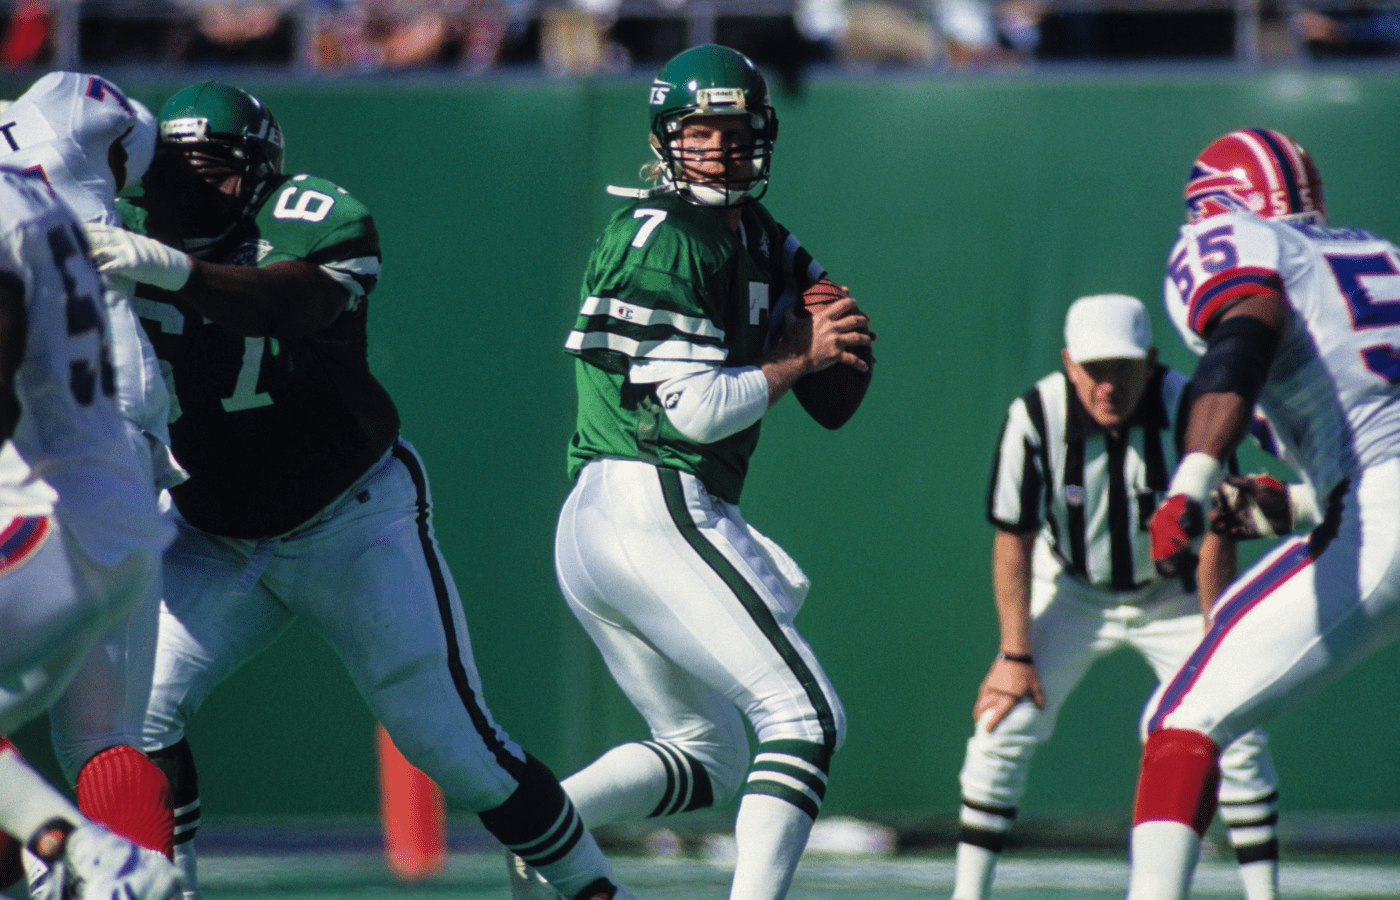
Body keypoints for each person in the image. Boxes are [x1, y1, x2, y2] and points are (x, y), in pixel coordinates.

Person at [80, 81, 635, 900]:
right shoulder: (116, 227)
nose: (191, 189)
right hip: (208, 525)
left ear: (262, 174)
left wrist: (177, 270)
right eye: (175, 169)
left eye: (214, 170)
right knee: (138, 714)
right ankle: (166, 889)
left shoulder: (308, 218)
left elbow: (290, 303)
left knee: (457, 749)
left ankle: (595, 889)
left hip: (348, 515)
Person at [511, 44, 875, 900]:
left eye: (737, 132)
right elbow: (696, 411)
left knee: (704, 754)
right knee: (807, 717)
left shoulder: (752, 232)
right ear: (667, 138)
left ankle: (544, 832)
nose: (721, 150)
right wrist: (795, 362)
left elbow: (831, 313)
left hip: (615, 516)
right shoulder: (670, 237)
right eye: (701, 133)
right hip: (652, 499)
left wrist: (830, 339)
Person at [1129, 127, 1400, 898]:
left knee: (1179, 721)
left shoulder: (1238, 246)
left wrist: (1190, 481)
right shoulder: (1377, 254)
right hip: (1373, 497)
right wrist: (1297, 503)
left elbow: (1245, 329)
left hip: (1382, 510)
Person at [951, 293, 1281, 900]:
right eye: (1094, 369)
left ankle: (1265, 895)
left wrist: (1217, 635)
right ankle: (967, 895)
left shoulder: (1193, 409)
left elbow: (1215, 533)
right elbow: (1014, 539)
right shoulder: (1036, 415)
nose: (1108, 385)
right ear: (1069, 363)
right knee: (1003, 723)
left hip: (1175, 595)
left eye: (1123, 368)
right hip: (1074, 590)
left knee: (1236, 734)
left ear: (1151, 362)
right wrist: (1015, 654)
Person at [0, 71, 187, 887]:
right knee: (105, 737)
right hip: (115, 477)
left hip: (47, 497)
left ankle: (90, 859)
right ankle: (85, 854)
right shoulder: (35, 184)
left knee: (103, 740)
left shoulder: (55, 127)